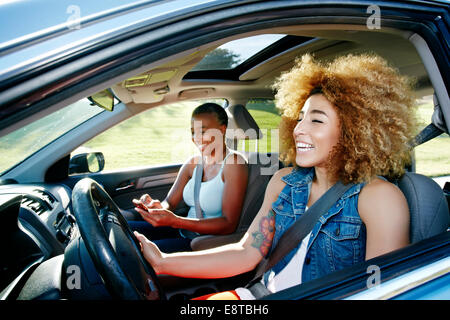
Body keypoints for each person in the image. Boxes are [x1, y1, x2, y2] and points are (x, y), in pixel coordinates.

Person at [134, 53, 417, 299]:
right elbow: (247, 252)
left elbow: (383, 291)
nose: (299, 129)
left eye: (316, 120)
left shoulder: (379, 197)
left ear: (356, 131)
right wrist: (163, 262)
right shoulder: (283, 181)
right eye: (301, 117)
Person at [131, 102, 248, 253]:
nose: (196, 138)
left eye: (203, 131)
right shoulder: (192, 164)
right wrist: (156, 207)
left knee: (136, 252)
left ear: (222, 130)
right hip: (182, 231)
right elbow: (170, 202)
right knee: (124, 229)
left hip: (205, 243)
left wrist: (176, 221)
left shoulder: (234, 163)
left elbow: (228, 224)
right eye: (193, 132)